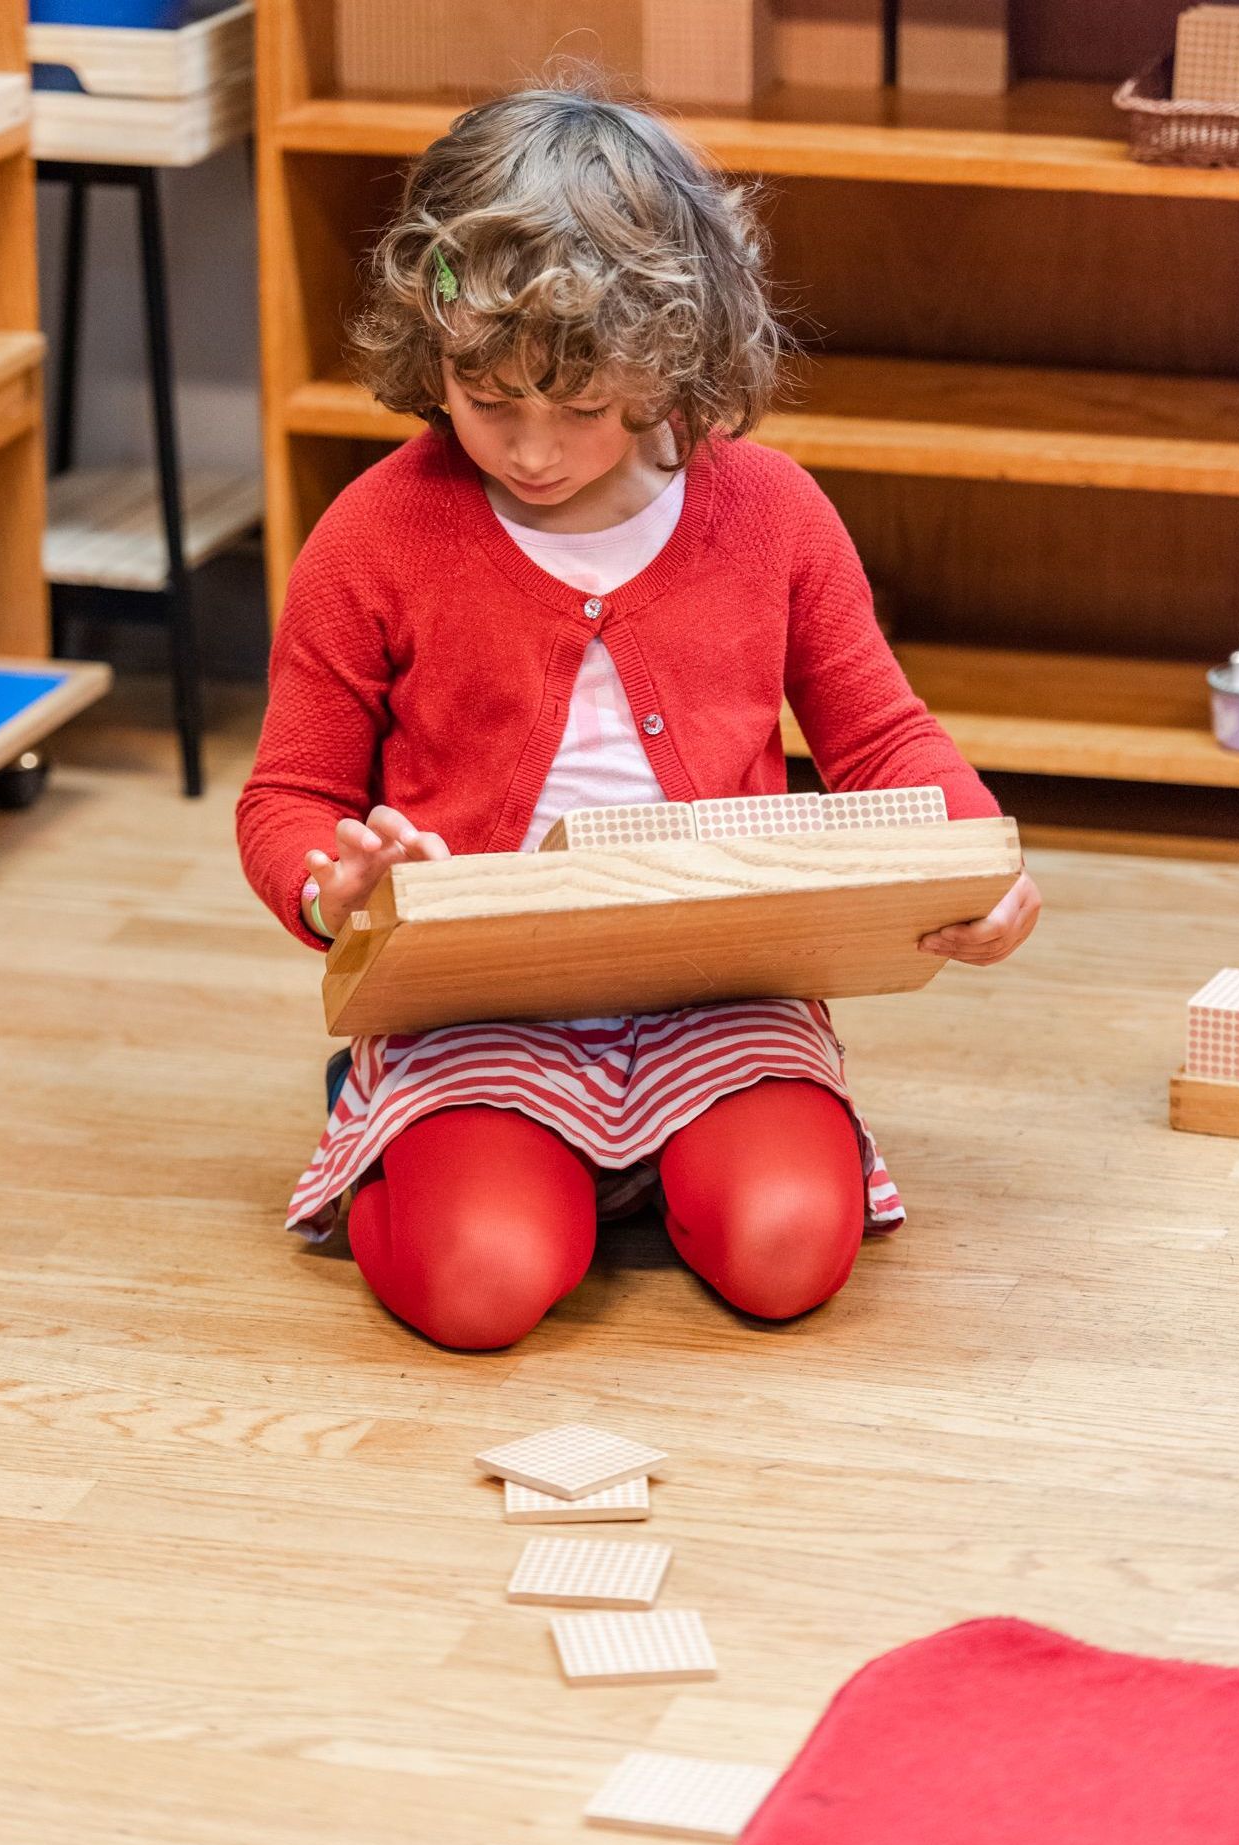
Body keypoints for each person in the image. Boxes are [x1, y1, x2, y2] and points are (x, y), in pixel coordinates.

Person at [236, 80, 1040, 1351]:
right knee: (480, 1288)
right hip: (479, 999)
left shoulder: (770, 511)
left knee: (786, 1256)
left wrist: (975, 851)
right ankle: (432, 1138)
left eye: (586, 405)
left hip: (720, 984)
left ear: (673, 359)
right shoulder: (373, 534)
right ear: (429, 346)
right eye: (489, 399)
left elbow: (881, 736)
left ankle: (633, 1156)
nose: (536, 450)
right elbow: (289, 800)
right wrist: (341, 891)